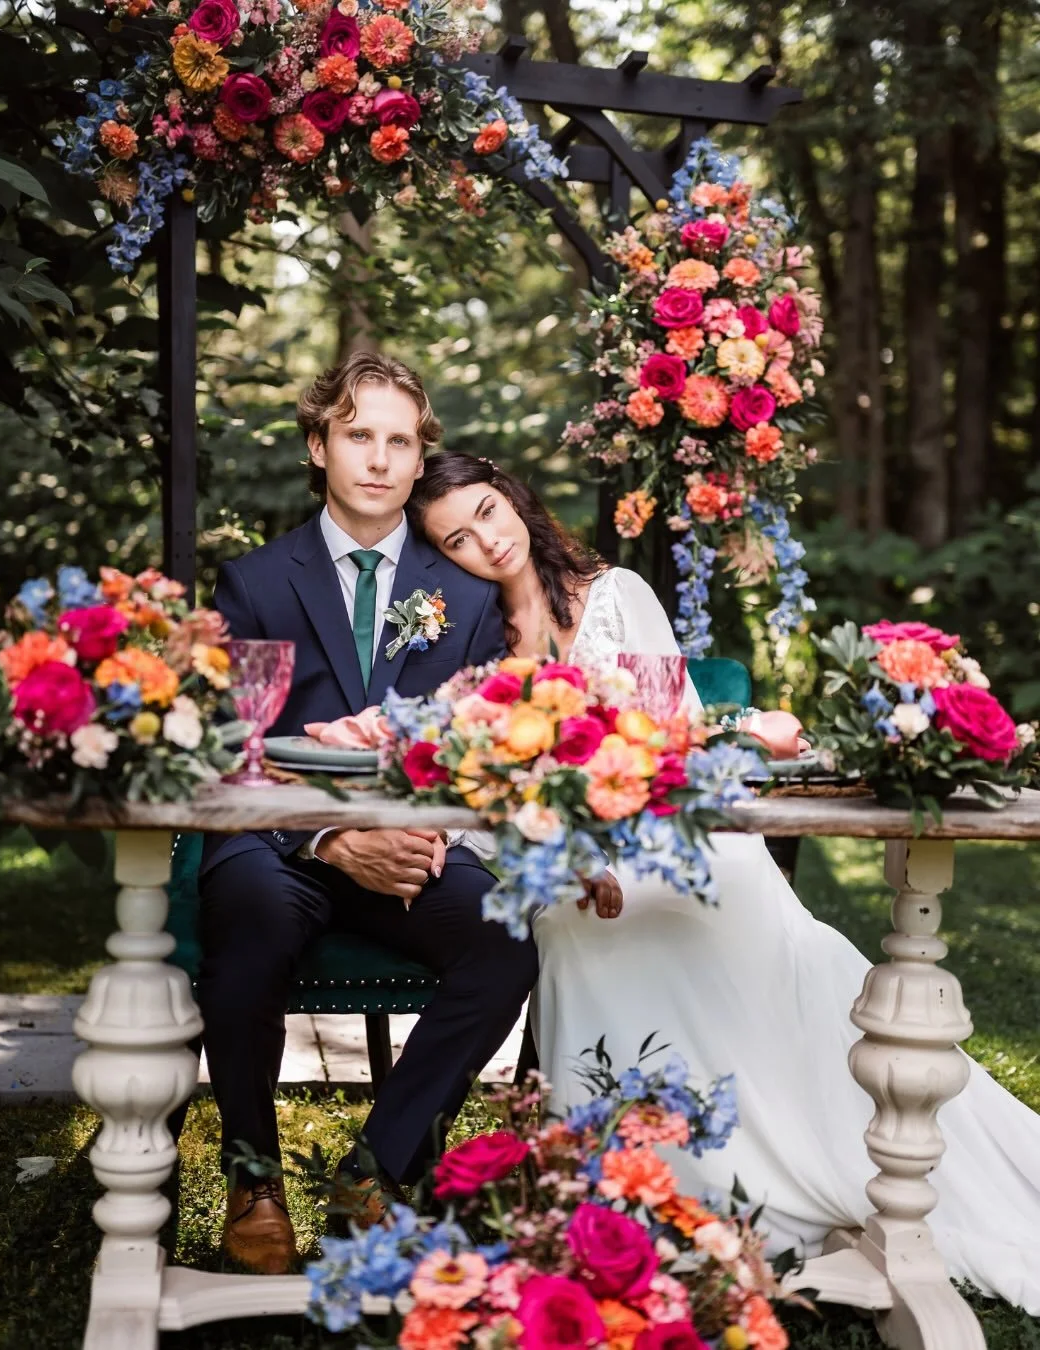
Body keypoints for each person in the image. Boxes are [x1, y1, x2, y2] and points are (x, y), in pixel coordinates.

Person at [407, 449, 1040, 1315]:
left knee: (736, 913)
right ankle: (647, 1191)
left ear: (512, 497)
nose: (487, 539)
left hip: (677, 829)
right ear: (442, 559)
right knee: (565, 926)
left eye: (488, 511)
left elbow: (677, 736)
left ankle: (803, 1160)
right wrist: (579, 855)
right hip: (569, 858)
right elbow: (488, 788)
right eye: (458, 539)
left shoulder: (618, 593)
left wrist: (706, 764)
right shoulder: (468, 652)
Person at [197, 357, 538, 1275]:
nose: (380, 460)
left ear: (418, 459)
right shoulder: (255, 582)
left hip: (410, 844)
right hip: (280, 843)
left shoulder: (463, 597)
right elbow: (233, 750)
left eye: (400, 441)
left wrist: (408, 833)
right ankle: (254, 1178)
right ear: (320, 446)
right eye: (359, 436)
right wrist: (329, 838)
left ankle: (376, 1174)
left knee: (505, 939)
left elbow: (465, 751)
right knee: (252, 915)